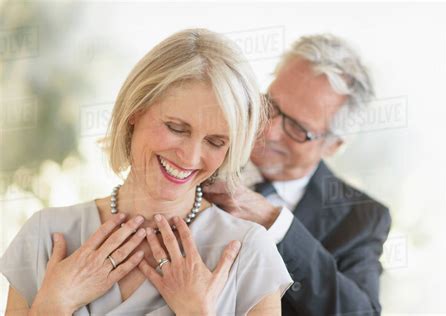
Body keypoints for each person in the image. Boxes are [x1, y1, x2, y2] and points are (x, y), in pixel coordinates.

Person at [0, 29, 293, 316]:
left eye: (215, 142)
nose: (190, 156)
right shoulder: (44, 237)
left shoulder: (250, 252)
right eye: (176, 128)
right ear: (135, 112)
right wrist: (53, 305)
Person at [204, 34, 392, 315]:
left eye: (297, 128)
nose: (269, 130)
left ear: (333, 145)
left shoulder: (360, 218)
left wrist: (276, 223)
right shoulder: (206, 150)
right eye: (271, 104)